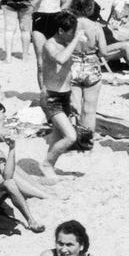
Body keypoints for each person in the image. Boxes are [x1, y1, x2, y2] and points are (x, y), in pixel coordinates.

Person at [40, 10, 82, 174]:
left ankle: (49, 166)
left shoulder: (67, 43)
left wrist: (74, 99)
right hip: (51, 97)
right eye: (71, 33)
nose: (73, 36)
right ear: (61, 31)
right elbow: (60, 59)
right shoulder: (49, 44)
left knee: (58, 136)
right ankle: (46, 164)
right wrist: (76, 40)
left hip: (65, 95)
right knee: (70, 136)